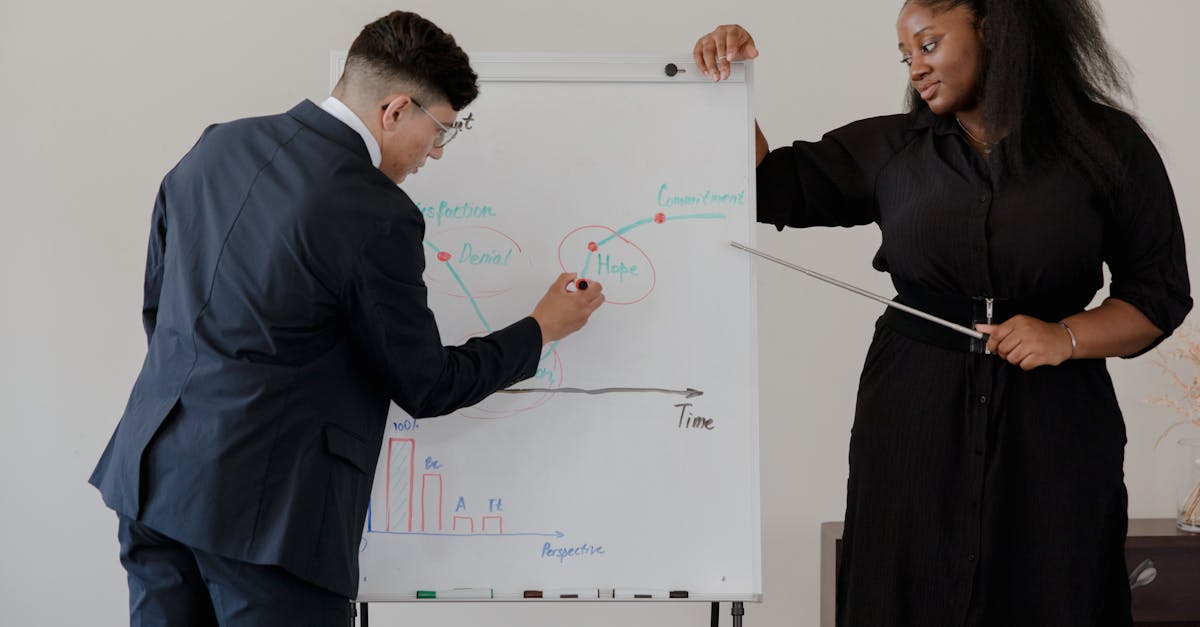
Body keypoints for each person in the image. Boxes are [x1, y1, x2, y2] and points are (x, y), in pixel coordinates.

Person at [89, 10, 605, 626]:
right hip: (266, 521)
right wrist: (541, 328)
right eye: (441, 129)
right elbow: (428, 384)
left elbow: (160, 304)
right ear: (396, 110)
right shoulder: (374, 210)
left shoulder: (218, 144)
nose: (436, 152)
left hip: (151, 478)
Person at [696, 0, 1190, 624]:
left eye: (928, 45)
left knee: (1056, 586)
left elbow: (1158, 294)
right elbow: (764, 187)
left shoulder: (1109, 144)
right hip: (913, 409)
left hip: (1057, 418)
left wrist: (1064, 336)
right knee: (906, 590)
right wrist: (730, 82)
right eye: (906, 56)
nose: (915, 69)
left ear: (996, 28)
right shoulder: (890, 147)